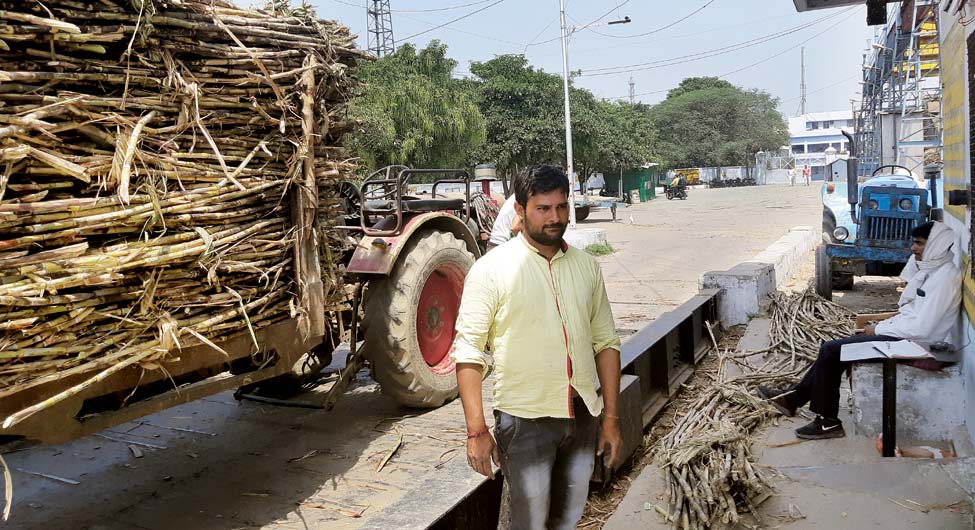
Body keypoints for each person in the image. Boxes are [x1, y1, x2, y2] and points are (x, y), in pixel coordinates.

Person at [450, 164, 622, 530]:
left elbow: (606, 343)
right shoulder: (492, 269)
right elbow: (468, 351)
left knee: (569, 518)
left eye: (561, 207)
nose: (554, 218)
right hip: (525, 422)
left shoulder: (587, 267)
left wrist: (610, 420)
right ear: (520, 211)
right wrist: (477, 431)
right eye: (543, 209)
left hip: (583, 414)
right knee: (529, 524)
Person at [759, 221, 961, 440]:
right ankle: (793, 400)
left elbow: (923, 327)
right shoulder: (934, 271)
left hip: (917, 346)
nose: (913, 249)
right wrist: (880, 327)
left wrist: (878, 329)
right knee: (834, 349)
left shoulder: (945, 279)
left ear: (938, 245)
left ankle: (826, 421)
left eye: (919, 244)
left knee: (831, 350)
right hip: (906, 338)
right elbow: (912, 315)